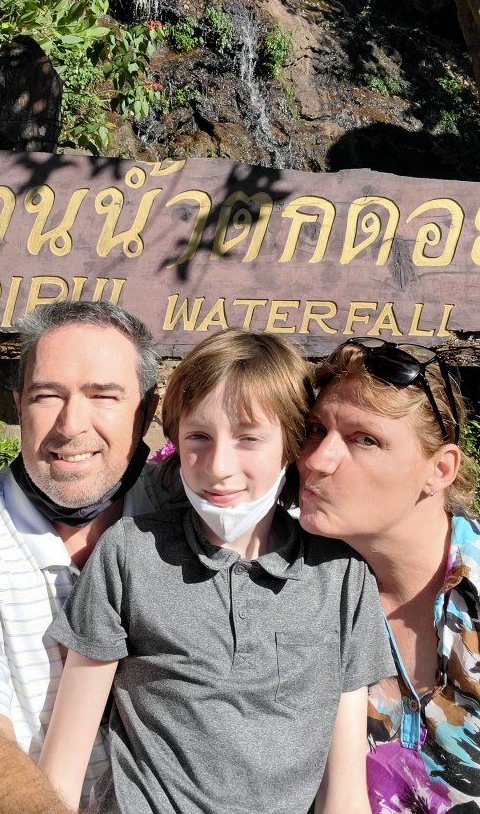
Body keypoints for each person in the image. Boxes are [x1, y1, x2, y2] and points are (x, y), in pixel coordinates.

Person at [39, 328, 395, 814]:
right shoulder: (129, 553)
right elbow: (61, 770)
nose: (219, 466)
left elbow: (345, 794)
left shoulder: (341, 576)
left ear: (290, 445)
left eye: (249, 438)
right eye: (199, 438)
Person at [0, 299, 164, 814]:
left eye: (103, 395)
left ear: (147, 412)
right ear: (19, 406)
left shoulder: (185, 514)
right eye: (47, 396)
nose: (70, 424)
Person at [297, 335, 480, 814]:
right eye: (314, 430)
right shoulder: (297, 592)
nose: (316, 460)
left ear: (440, 469)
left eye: (364, 439)